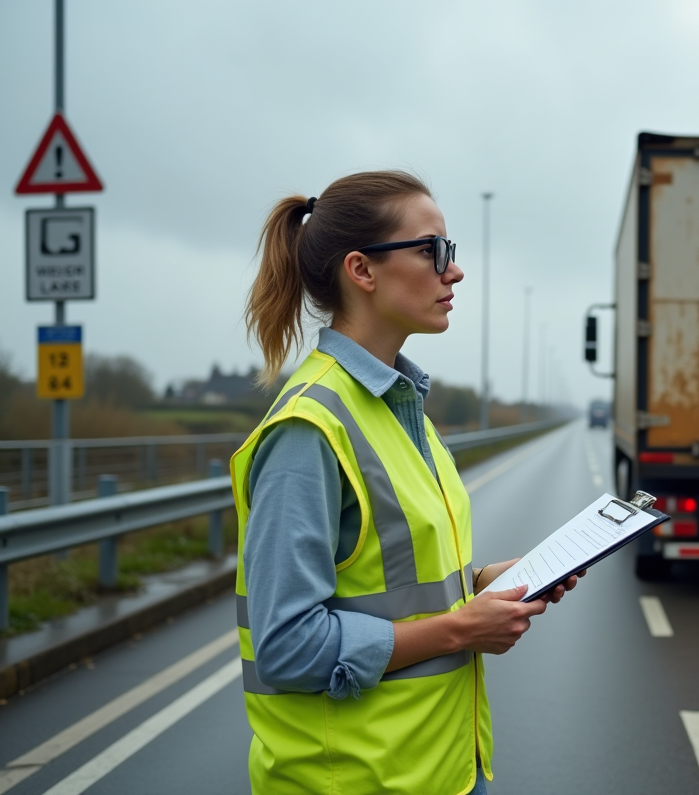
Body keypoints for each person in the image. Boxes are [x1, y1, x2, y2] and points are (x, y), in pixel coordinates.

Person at [231, 171, 581, 795]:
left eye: (450, 251)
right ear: (362, 270)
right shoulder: (308, 430)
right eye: (432, 250)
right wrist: (462, 629)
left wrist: (485, 584)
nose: (454, 272)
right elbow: (283, 647)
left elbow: (388, 580)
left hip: (433, 775)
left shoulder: (401, 407)